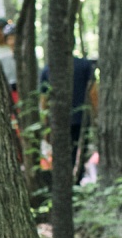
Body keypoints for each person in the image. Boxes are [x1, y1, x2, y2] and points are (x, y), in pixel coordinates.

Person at [39, 57, 98, 185]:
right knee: (78, 152)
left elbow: (44, 100)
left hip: (57, 122)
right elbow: (93, 92)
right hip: (80, 120)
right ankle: (75, 183)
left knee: (61, 155)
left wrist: (46, 123)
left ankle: (64, 185)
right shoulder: (84, 65)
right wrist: (96, 115)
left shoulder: (48, 69)